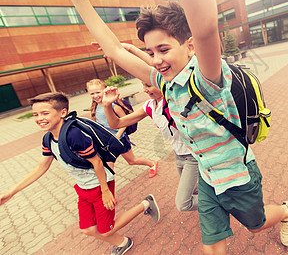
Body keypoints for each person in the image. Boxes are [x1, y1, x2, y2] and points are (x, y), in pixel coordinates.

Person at [57, 0, 288, 253]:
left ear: (190, 46)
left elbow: (206, 25)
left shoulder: (209, 77)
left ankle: (286, 211)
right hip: (208, 179)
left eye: (163, 49)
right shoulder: (165, 83)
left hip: (238, 178)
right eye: (150, 51)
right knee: (212, 245)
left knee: (257, 223)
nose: (155, 60)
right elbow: (115, 50)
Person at [0, 92, 160, 255]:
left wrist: (105, 191)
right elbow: (41, 167)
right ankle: (124, 242)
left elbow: (97, 162)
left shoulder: (74, 135)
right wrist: (10, 193)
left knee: (106, 230)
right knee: (88, 229)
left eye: (45, 113)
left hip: (99, 185)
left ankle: (146, 203)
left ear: (62, 113)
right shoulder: (47, 138)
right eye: (35, 114)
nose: (39, 118)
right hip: (83, 188)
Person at [102, 80, 199, 212]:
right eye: (143, 85)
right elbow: (116, 124)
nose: (145, 89)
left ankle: (220, 201)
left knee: (183, 203)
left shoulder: (175, 100)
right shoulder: (149, 106)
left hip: (193, 155)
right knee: (194, 188)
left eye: (148, 85)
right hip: (179, 155)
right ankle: (217, 194)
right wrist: (107, 105)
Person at [86, 78, 158, 178]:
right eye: (92, 93)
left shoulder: (114, 106)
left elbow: (124, 122)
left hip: (120, 140)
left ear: (105, 90)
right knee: (109, 165)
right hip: (107, 143)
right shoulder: (95, 107)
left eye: (98, 92)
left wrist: (117, 136)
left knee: (132, 161)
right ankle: (107, 187)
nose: (95, 96)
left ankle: (152, 164)